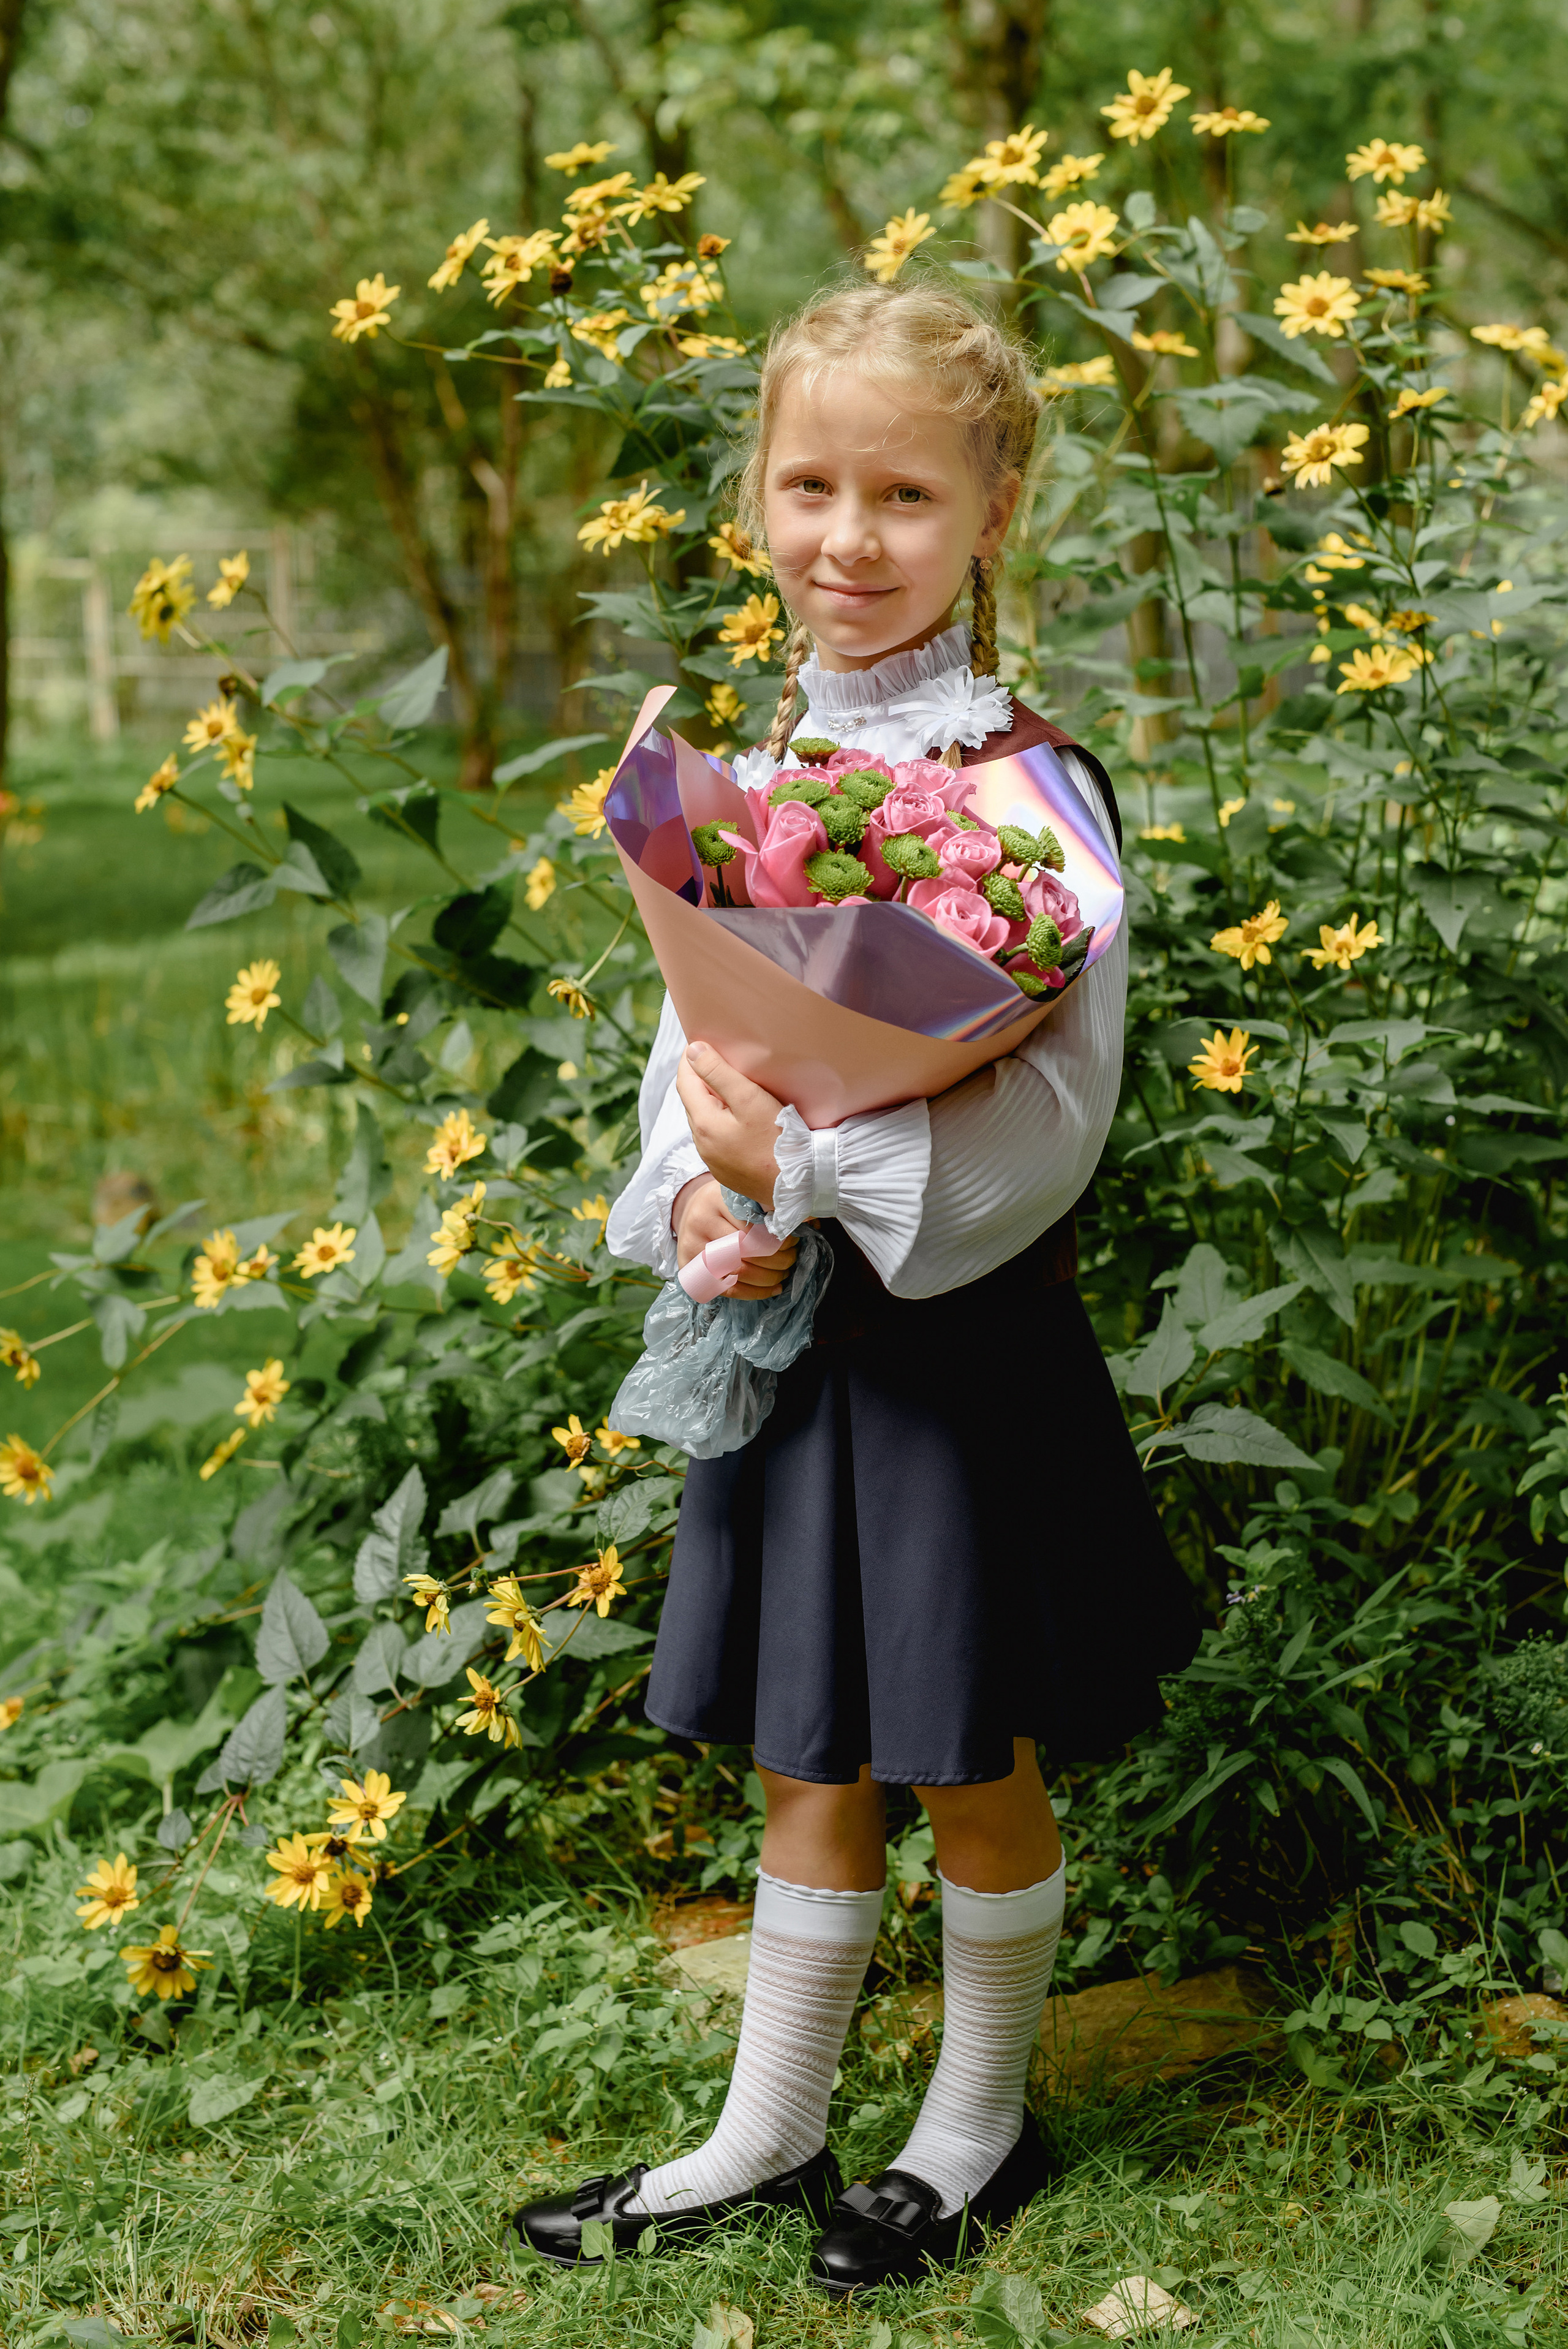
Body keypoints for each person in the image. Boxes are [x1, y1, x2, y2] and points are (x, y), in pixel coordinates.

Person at [513, 279, 1199, 2295]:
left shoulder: (1035, 798)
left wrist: (815, 1171)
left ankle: (977, 2117)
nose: (851, 535)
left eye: (906, 493)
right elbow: (695, 1047)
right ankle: (772, 2121)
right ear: (757, 501)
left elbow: (1050, 1119)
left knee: (966, 1744)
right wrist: (703, 1200)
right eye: (811, 484)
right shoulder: (748, 773)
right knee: (805, 1738)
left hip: (959, 1347)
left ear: (994, 512)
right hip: (793, 1339)